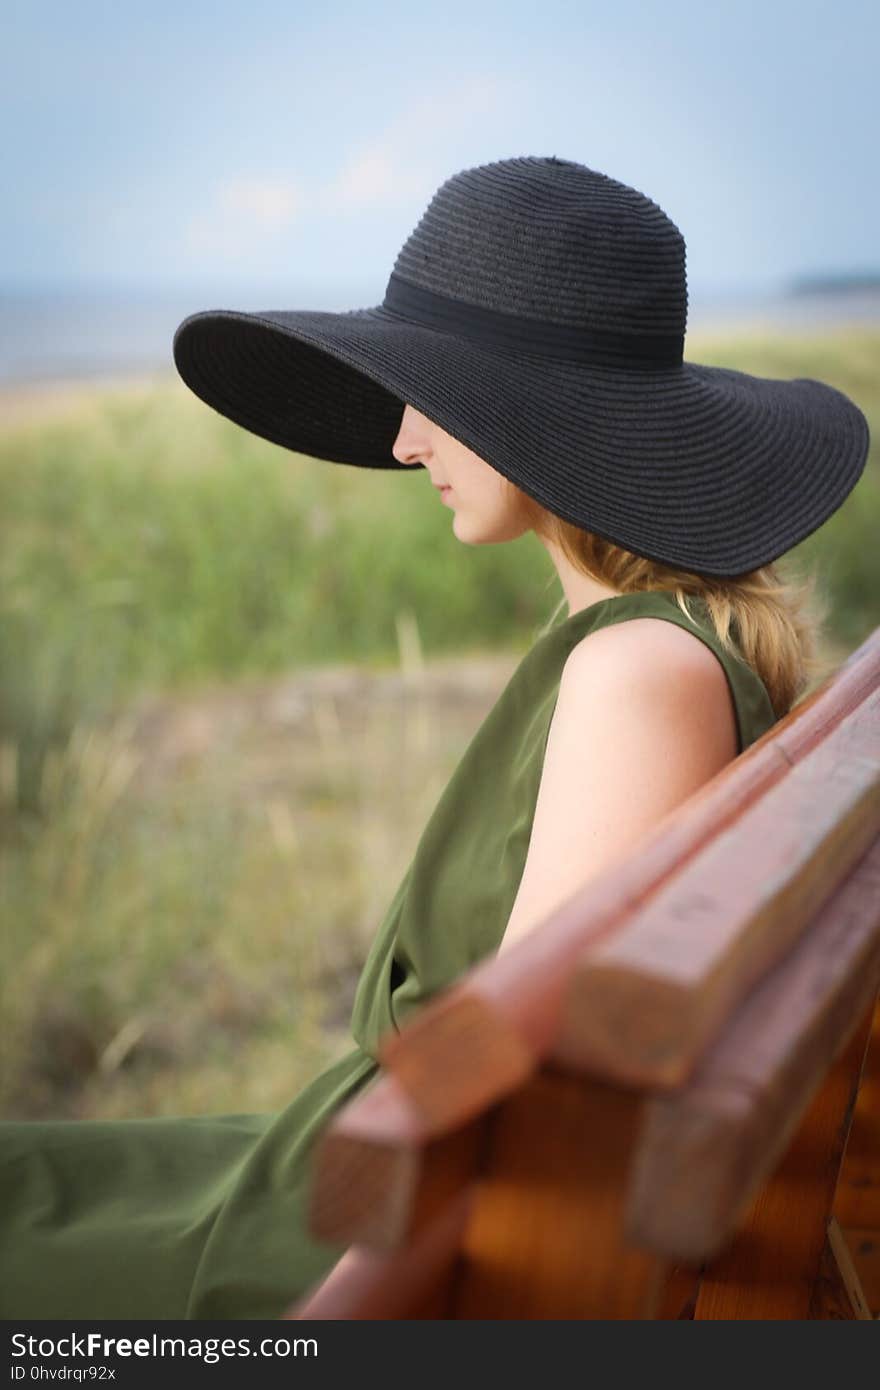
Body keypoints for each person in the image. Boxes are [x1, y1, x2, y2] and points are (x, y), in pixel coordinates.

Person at [0, 155, 869, 1320]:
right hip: (348, 1163)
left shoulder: (634, 673)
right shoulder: (652, 645)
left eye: (435, 397)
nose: (405, 440)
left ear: (539, 419)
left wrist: (343, 1313)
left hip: (355, 1225)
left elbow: (516, 1087)